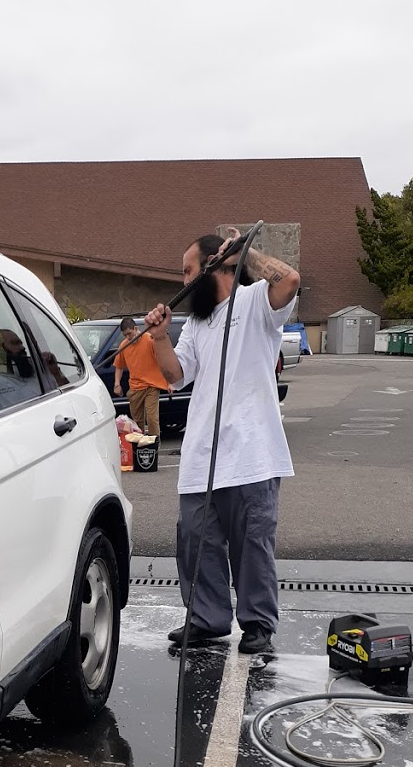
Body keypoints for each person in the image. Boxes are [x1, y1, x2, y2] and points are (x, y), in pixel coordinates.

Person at [144, 233, 300, 654]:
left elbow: (289, 280)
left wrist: (244, 255)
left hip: (253, 453)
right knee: (197, 542)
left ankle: (257, 623)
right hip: (202, 456)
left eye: (188, 271)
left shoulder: (254, 302)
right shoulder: (196, 324)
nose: (184, 281)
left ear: (214, 267)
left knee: (253, 545)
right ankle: (207, 619)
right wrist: (159, 337)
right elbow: (177, 376)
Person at [112, 315, 168, 441]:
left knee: (152, 418)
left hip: (151, 386)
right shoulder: (124, 345)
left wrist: (168, 382)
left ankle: (154, 444)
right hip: (135, 387)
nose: (128, 337)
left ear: (136, 328)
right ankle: (139, 446)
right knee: (136, 421)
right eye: (125, 335)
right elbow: (119, 366)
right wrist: (117, 384)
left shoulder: (149, 340)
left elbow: (162, 360)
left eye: (129, 334)